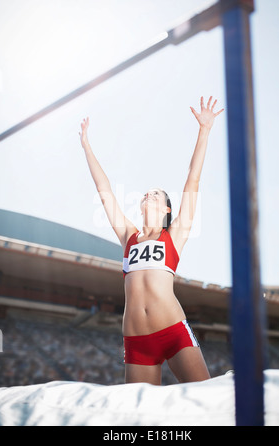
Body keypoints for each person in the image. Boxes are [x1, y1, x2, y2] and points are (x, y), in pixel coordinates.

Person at [79, 96, 224, 385]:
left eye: (156, 193)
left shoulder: (175, 234)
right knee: (141, 420)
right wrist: (86, 144)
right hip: (137, 342)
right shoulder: (128, 236)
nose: (149, 195)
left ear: (167, 208)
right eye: (146, 193)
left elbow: (192, 180)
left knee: (203, 401)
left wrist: (204, 130)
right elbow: (103, 188)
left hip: (173, 331)